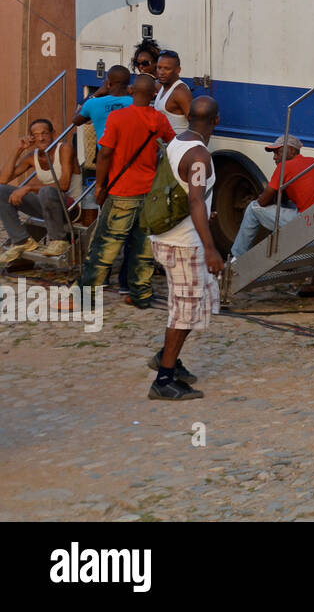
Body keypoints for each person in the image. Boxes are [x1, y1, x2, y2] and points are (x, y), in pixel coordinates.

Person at [147, 96, 221, 401]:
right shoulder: (201, 155)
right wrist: (211, 247)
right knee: (184, 311)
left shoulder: (178, 141)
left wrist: (204, 211)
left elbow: (187, 193)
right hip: (184, 245)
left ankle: (167, 357)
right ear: (216, 121)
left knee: (198, 303)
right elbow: (194, 200)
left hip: (171, 237)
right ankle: (163, 381)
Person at [80, 75, 175, 308]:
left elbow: (104, 153)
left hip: (122, 192)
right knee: (143, 249)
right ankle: (141, 294)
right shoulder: (158, 119)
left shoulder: (117, 117)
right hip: (149, 193)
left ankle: (86, 295)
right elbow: (173, 144)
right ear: (154, 94)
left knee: (106, 246)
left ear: (131, 91)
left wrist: (101, 186)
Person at [229, 135, 314, 259]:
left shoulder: (285, 166)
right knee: (285, 204)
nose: (274, 157)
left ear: (291, 150)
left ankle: (236, 257)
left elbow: (262, 202)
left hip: (309, 222)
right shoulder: (313, 161)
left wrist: (261, 198)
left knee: (253, 208)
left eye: (277, 152)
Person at [0, 119, 78, 264]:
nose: (41, 138)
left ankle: (59, 240)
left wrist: (29, 187)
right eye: (36, 135)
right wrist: (19, 149)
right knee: (1, 191)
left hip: (71, 208)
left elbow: (64, 184)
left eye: (45, 133)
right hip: (47, 207)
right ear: (31, 138)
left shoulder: (64, 148)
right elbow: (3, 179)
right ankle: (21, 240)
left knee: (46, 191)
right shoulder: (32, 156)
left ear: (53, 133)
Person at [74, 66, 133, 139]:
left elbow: (76, 120)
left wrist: (95, 94)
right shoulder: (136, 103)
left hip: (104, 149)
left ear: (108, 83)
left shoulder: (93, 103)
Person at [153, 50, 192, 134]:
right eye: (159, 68)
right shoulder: (161, 86)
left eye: (167, 69)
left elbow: (195, 123)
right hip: (164, 143)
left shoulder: (180, 92)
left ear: (178, 70)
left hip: (177, 144)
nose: (161, 72)